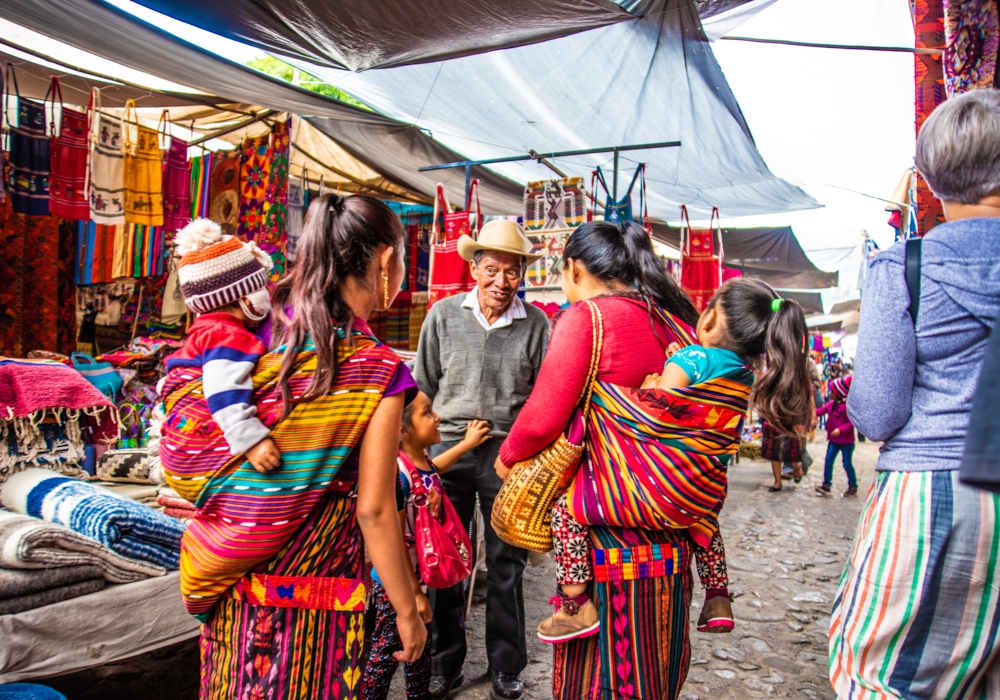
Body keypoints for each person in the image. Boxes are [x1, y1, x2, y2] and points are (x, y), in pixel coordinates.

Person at [162, 194, 426, 699]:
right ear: (386, 259)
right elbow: (373, 510)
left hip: (237, 581)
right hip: (321, 586)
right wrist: (408, 611)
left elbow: (191, 410)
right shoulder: (377, 370)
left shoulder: (256, 327)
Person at [830, 89, 1000, 699]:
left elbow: (877, 412)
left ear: (927, 178)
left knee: (881, 675)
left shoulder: (904, 267)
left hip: (929, 491)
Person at [533, 278, 811, 648]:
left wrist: (650, 385)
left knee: (566, 512)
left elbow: (661, 412)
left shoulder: (690, 358)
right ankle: (717, 594)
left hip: (655, 490)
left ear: (709, 318)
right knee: (707, 519)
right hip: (697, 494)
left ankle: (575, 604)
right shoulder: (743, 374)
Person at [495, 220, 703, 699]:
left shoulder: (588, 317)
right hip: (672, 522)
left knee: (602, 670)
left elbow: (542, 419)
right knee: (655, 661)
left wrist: (508, 458)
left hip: (606, 525)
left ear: (571, 267)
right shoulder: (678, 322)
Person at [413, 219, 550, 700]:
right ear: (474, 267)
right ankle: (443, 665)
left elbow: (543, 399)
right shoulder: (443, 315)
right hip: (446, 452)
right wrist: (416, 456)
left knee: (505, 564)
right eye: (492, 269)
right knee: (445, 563)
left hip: (506, 456)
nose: (501, 281)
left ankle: (506, 667)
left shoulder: (536, 325)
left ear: (522, 275)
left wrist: (527, 457)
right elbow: (421, 388)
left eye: (512, 272)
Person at [362, 392, 491, 700]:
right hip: (396, 584)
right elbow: (393, 538)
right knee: (388, 650)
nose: (438, 418)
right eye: (427, 413)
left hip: (418, 579)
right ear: (402, 429)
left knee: (420, 648)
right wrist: (415, 594)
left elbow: (436, 469)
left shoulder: (420, 463)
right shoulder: (397, 474)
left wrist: (465, 444)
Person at [162, 218, 280, 474]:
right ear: (246, 299)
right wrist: (251, 440)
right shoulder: (227, 335)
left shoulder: (205, 331)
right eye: (261, 288)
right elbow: (222, 388)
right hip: (197, 449)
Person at [815, 375, 857, 497]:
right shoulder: (831, 405)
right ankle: (826, 485)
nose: (830, 393)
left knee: (847, 463)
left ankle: (853, 486)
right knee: (828, 461)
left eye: (832, 390)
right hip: (834, 440)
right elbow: (819, 412)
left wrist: (840, 429)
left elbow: (851, 423)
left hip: (847, 442)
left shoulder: (848, 407)